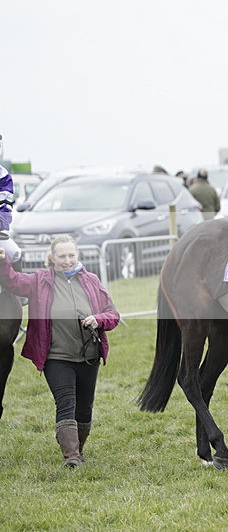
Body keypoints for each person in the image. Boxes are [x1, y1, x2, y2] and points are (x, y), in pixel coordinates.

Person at [0, 236, 119, 467]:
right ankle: (72, 457)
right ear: (52, 258)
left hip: (88, 355)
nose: (67, 260)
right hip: (56, 357)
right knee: (66, 402)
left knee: (85, 407)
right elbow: (13, 282)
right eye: (62, 256)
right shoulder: (39, 281)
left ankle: (79, 449)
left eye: (71, 255)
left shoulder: (92, 281)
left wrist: (98, 319)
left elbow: (113, 314)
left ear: (77, 256)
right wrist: (3, 262)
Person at [0, 134, 22, 264]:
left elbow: (5, 206)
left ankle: (15, 285)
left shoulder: (3, 176)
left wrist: (1, 221)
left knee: (15, 254)